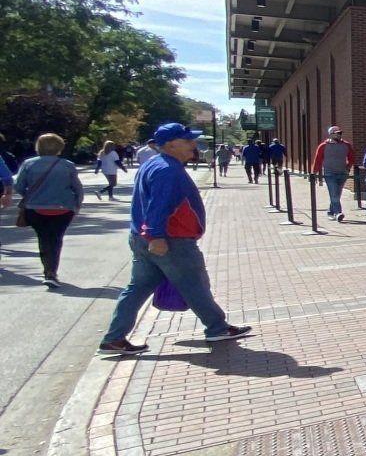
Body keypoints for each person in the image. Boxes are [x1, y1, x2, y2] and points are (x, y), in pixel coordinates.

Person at [98, 123, 253, 356]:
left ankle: (114, 338)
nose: (194, 144)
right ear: (172, 144)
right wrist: (156, 236)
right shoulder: (168, 170)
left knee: (137, 288)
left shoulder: (155, 164)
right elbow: (158, 206)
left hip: (145, 238)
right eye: (188, 140)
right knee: (194, 283)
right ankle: (217, 327)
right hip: (170, 240)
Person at [11, 133, 83, 288]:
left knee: (43, 239)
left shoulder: (29, 164)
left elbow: (18, 185)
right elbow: (77, 188)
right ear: (59, 147)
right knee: (56, 239)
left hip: (35, 208)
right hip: (63, 208)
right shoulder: (67, 165)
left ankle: (48, 271)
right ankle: (52, 272)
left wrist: (29, 195)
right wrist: (77, 205)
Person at [310, 125, 356, 223]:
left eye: (340, 133)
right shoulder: (323, 146)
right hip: (329, 173)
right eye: (337, 133)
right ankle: (338, 213)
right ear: (331, 134)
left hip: (342, 173)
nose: (340, 135)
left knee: (337, 194)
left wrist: (348, 167)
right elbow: (317, 160)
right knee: (334, 194)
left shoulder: (346, 145)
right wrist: (313, 173)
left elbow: (352, 157)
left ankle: (331, 212)